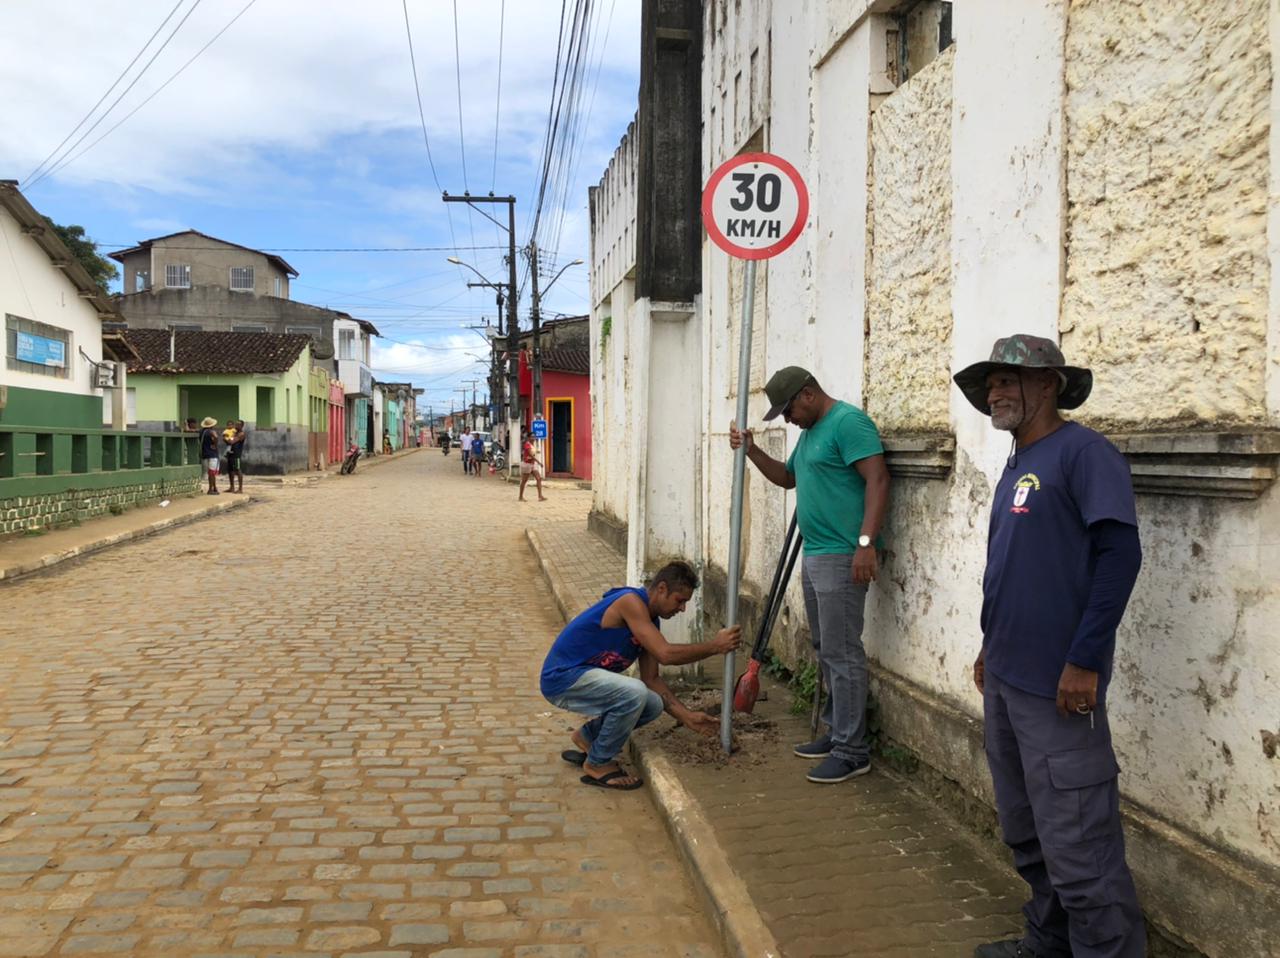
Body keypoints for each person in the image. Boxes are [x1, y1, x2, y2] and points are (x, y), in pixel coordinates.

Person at [953, 334, 1145, 958]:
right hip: (1008, 681)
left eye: (1010, 380)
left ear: (1050, 386)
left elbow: (1120, 557)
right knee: (1028, 831)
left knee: (1081, 847)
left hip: (1061, 690)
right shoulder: (1018, 462)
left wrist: (1086, 659)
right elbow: (1016, 568)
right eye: (991, 384)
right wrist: (989, 646)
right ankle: (1049, 942)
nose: (996, 392)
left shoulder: (1085, 454)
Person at [729, 366, 890, 784]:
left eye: (788, 410)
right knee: (826, 646)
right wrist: (751, 451)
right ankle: (838, 731)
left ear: (809, 393)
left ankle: (853, 751)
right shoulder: (811, 433)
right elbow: (788, 478)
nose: (787, 419)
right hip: (815, 553)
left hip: (842, 554)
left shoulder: (847, 422)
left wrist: (866, 543)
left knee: (842, 651)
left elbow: (877, 479)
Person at [540, 561, 742, 790]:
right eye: (680, 600)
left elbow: (652, 679)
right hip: (562, 679)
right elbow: (665, 654)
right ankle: (598, 763)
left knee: (652, 703)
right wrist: (715, 646)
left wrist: (687, 717)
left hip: (582, 679)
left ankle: (587, 738)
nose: (682, 609)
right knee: (634, 692)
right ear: (662, 589)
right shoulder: (630, 602)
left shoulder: (650, 621)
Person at [518, 437, 546, 501]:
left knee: (538, 478)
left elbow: (532, 453)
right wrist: (539, 462)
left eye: (534, 436)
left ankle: (540, 496)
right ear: (529, 437)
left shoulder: (532, 445)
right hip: (527, 465)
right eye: (532, 436)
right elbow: (531, 455)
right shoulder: (527, 445)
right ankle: (520, 497)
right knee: (524, 481)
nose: (533, 438)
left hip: (532, 465)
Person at [198, 417, 220, 495]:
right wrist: (215, 444)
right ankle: (211, 489)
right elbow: (216, 437)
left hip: (204, 454)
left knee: (209, 473)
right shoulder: (211, 431)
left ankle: (214, 487)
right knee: (212, 473)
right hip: (212, 454)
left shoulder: (201, 432)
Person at [224, 420, 245, 493]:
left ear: (242, 426)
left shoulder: (241, 434)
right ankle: (232, 487)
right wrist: (226, 439)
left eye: (238, 425)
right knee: (230, 470)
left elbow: (231, 441)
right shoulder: (234, 433)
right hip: (231, 453)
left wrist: (226, 438)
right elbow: (228, 441)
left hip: (236, 454)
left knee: (238, 470)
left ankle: (240, 489)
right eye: (236, 424)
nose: (236, 426)